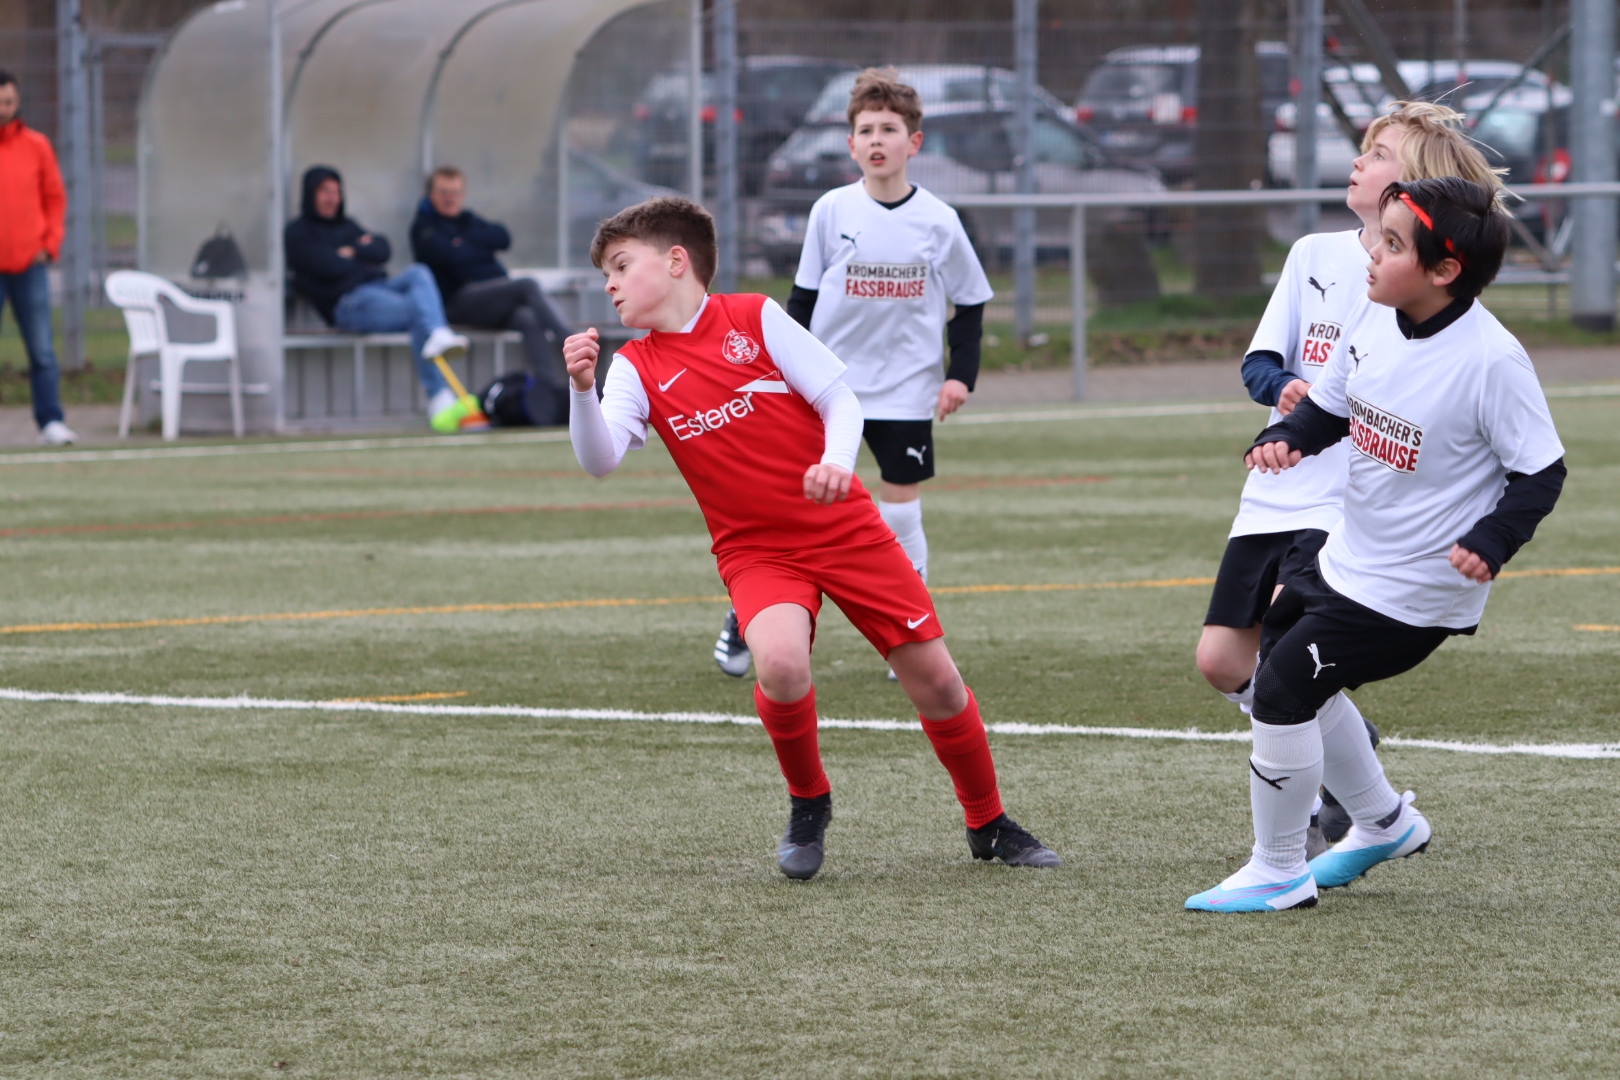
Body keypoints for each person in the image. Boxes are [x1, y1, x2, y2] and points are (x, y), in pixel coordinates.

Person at [564, 195, 1059, 881]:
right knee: (780, 664)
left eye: (620, 266)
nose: (610, 285)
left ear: (676, 261)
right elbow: (600, 459)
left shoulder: (754, 316)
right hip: (756, 550)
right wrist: (581, 389)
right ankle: (809, 802)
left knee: (939, 684)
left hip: (845, 529)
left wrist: (836, 462)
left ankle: (988, 821)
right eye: (606, 275)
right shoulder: (634, 366)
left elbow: (838, 399)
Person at [1186, 176, 1565, 913]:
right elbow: (1329, 408)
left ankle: (1278, 870)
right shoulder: (1373, 318)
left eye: (1393, 244)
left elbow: (1540, 472)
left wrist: (1491, 539)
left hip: (1416, 590)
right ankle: (1385, 823)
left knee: (1282, 688)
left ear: (1444, 270)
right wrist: (1285, 438)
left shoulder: (1491, 360)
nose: (1373, 254)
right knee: (1280, 652)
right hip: (1350, 559)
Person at [1194, 102, 1506, 848]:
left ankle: (1300, 829)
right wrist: (1286, 393)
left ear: (1415, 185)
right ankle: (1351, 753)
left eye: (1378, 152)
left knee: (1284, 656)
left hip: (1346, 502)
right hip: (1279, 487)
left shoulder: (1422, 286)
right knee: (1221, 662)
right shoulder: (1313, 254)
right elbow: (1260, 363)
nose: (1359, 161)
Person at [710, 68, 991, 681]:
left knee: (901, 511)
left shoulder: (940, 220)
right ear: (850, 144)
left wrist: (959, 377)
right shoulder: (830, 209)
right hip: (825, 388)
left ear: (914, 142)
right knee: (788, 506)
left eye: (889, 129)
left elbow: (970, 303)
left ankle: (910, 631)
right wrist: (777, 375)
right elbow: (801, 301)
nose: (877, 140)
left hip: (907, 388)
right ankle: (746, 612)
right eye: (866, 130)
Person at [283, 165, 472, 432]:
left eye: (336, 192)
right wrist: (359, 254)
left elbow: (383, 249)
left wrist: (350, 253)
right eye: (325, 191)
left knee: (418, 273)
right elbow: (325, 266)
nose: (332, 198)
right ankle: (438, 394)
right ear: (310, 194)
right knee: (418, 311)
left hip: (380, 287)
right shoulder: (298, 232)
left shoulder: (347, 225)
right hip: (350, 303)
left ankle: (439, 336)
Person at [410, 166, 571, 426]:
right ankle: (569, 341)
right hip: (459, 303)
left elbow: (502, 237)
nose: (450, 198)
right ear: (430, 194)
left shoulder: (467, 221)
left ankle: (549, 393)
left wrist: (463, 242)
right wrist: (476, 247)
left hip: (492, 300)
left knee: (527, 317)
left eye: (455, 192)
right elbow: (451, 256)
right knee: (527, 285)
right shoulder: (423, 228)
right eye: (443, 192)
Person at [0, 70, 76, 446]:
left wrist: (50, 243)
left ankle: (50, 421)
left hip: (29, 266)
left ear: (17, 102)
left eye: (8, 102)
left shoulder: (37, 145)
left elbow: (55, 198)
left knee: (42, 349)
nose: (3, 109)